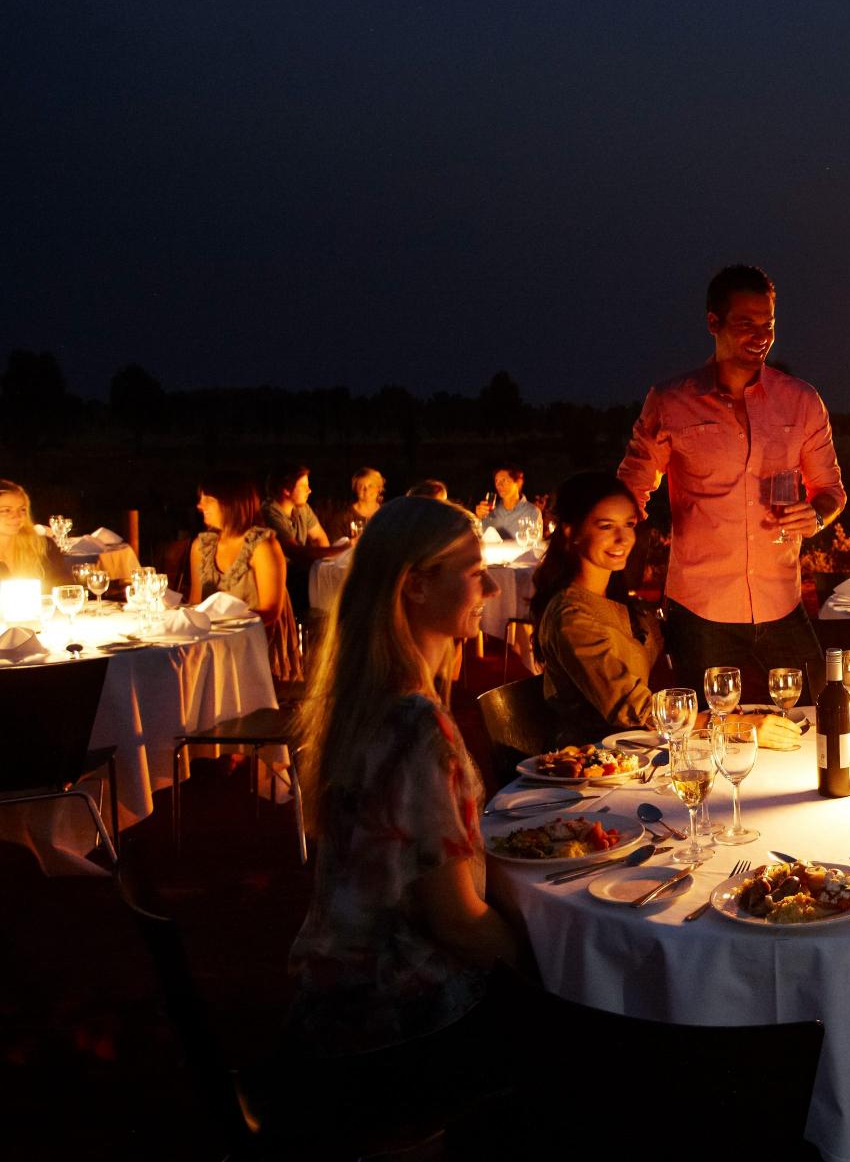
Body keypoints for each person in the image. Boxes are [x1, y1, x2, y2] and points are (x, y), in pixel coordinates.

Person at [283, 497, 527, 1122]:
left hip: (327, 989)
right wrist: (548, 962)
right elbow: (456, 923)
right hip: (397, 1014)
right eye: (474, 572)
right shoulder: (418, 726)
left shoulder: (356, 701)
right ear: (416, 586)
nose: (493, 586)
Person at [616, 264, 845, 705]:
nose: (761, 335)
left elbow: (832, 489)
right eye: (746, 323)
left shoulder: (801, 401)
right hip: (701, 612)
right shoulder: (670, 400)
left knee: (820, 718)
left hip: (781, 602)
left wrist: (817, 513)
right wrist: (617, 571)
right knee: (711, 737)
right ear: (712, 323)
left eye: (768, 324)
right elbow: (631, 489)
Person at [531, 472, 663, 739]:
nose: (623, 538)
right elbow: (632, 707)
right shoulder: (572, 615)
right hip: (593, 762)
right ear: (571, 532)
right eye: (606, 526)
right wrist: (719, 722)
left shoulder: (617, 600)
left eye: (628, 524)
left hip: (635, 751)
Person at [192, 473, 301, 681]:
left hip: (257, 645)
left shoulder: (262, 546)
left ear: (232, 503)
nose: (200, 505)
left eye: (208, 500)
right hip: (214, 644)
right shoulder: (202, 547)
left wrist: (224, 629)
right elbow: (196, 603)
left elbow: (270, 612)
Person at [0, 479, 63, 583]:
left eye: (22, 509)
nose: (17, 516)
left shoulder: (43, 547)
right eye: (6, 510)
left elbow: (65, 588)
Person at [263, 464, 331, 552]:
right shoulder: (270, 513)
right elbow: (295, 551)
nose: (309, 490)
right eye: (303, 486)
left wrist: (326, 561)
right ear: (286, 490)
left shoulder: (302, 508)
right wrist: (340, 550)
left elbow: (319, 537)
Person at [475, 464, 540, 539]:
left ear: (518, 482)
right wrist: (478, 519)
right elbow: (478, 539)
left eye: (504, 480)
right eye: (496, 481)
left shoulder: (532, 512)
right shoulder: (490, 511)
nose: (499, 485)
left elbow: (534, 546)